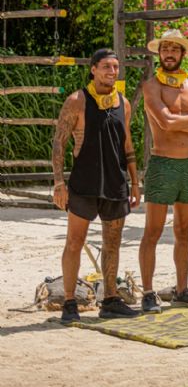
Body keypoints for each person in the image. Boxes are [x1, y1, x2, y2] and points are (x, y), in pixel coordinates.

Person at [53, 49, 141, 322]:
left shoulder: (123, 103)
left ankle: (110, 299)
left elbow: (127, 144)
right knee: (74, 242)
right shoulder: (77, 101)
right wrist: (59, 183)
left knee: (112, 243)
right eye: (106, 67)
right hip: (84, 183)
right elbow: (59, 142)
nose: (112, 72)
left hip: (115, 183)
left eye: (115, 67)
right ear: (93, 69)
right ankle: (70, 302)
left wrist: (135, 182)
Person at [140, 29, 188, 313]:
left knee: (184, 231)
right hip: (162, 163)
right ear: (159, 53)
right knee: (153, 231)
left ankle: (182, 289)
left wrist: (181, 120)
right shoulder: (152, 86)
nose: (169, 53)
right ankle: (148, 292)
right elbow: (165, 122)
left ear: (183, 53)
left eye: (174, 49)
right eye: (165, 48)